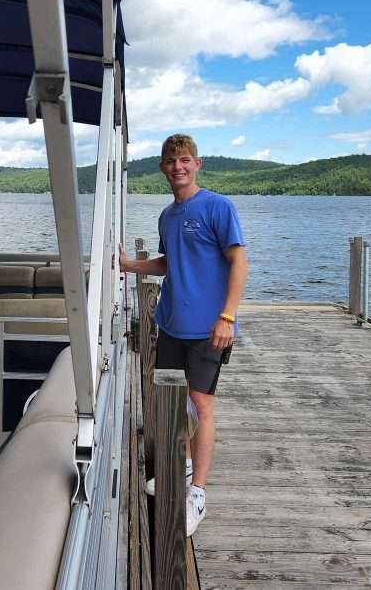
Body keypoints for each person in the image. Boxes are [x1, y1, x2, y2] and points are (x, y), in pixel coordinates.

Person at [118, 133, 248, 536]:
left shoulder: (217, 207)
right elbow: (167, 263)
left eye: (185, 160)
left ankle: (198, 493)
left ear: (198, 164)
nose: (178, 167)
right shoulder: (167, 216)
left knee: (201, 404)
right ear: (162, 167)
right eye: (171, 161)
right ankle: (185, 463)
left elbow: (239, 262)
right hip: (171, 323)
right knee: (175, 404)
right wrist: (125, 264)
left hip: (209, 329)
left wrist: (227, 316)